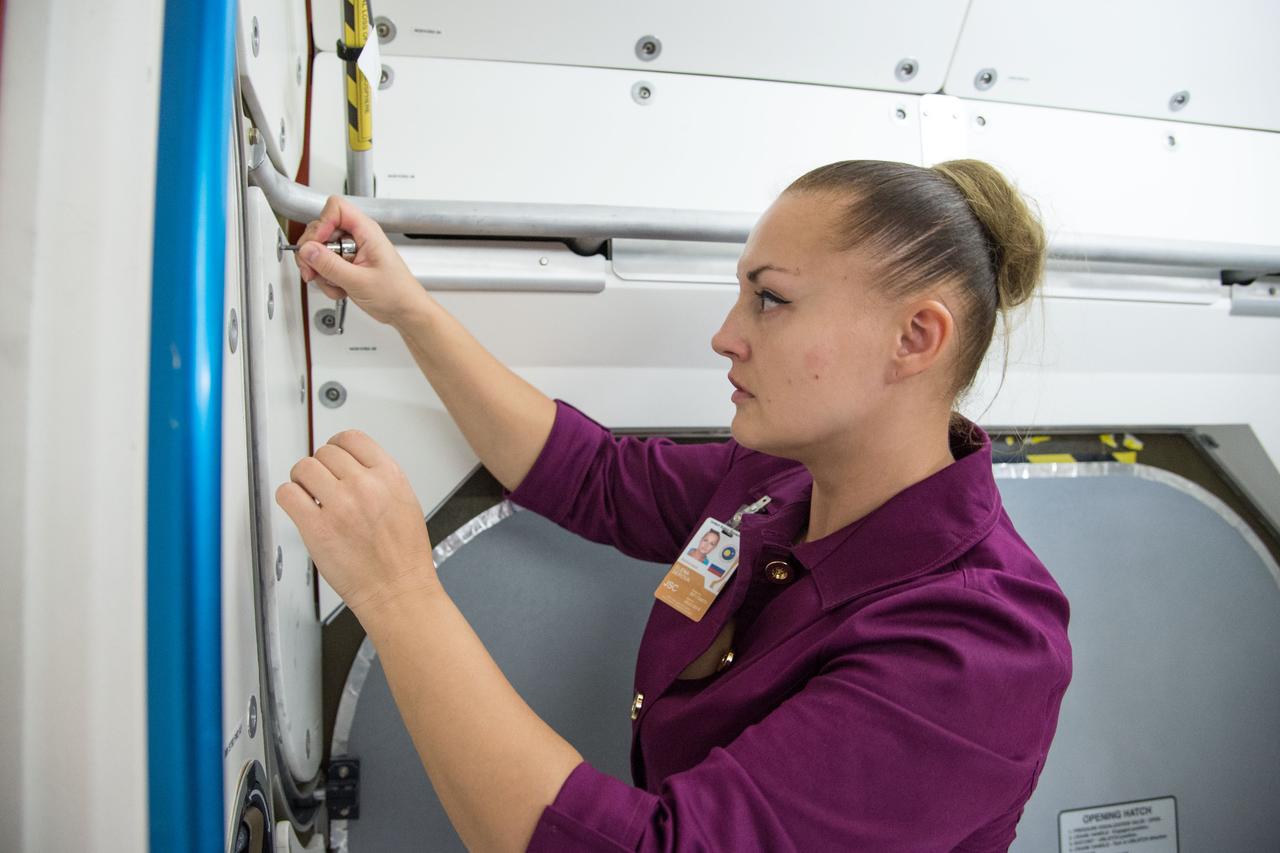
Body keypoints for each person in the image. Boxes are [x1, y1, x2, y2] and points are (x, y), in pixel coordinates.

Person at [278, 158, 1072, 852]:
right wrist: (409, 307)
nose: (726, 335)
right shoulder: (783, 482)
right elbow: (588, 473)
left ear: (915, 338)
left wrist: (398, 594)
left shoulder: (975, 649)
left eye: (770, 300)